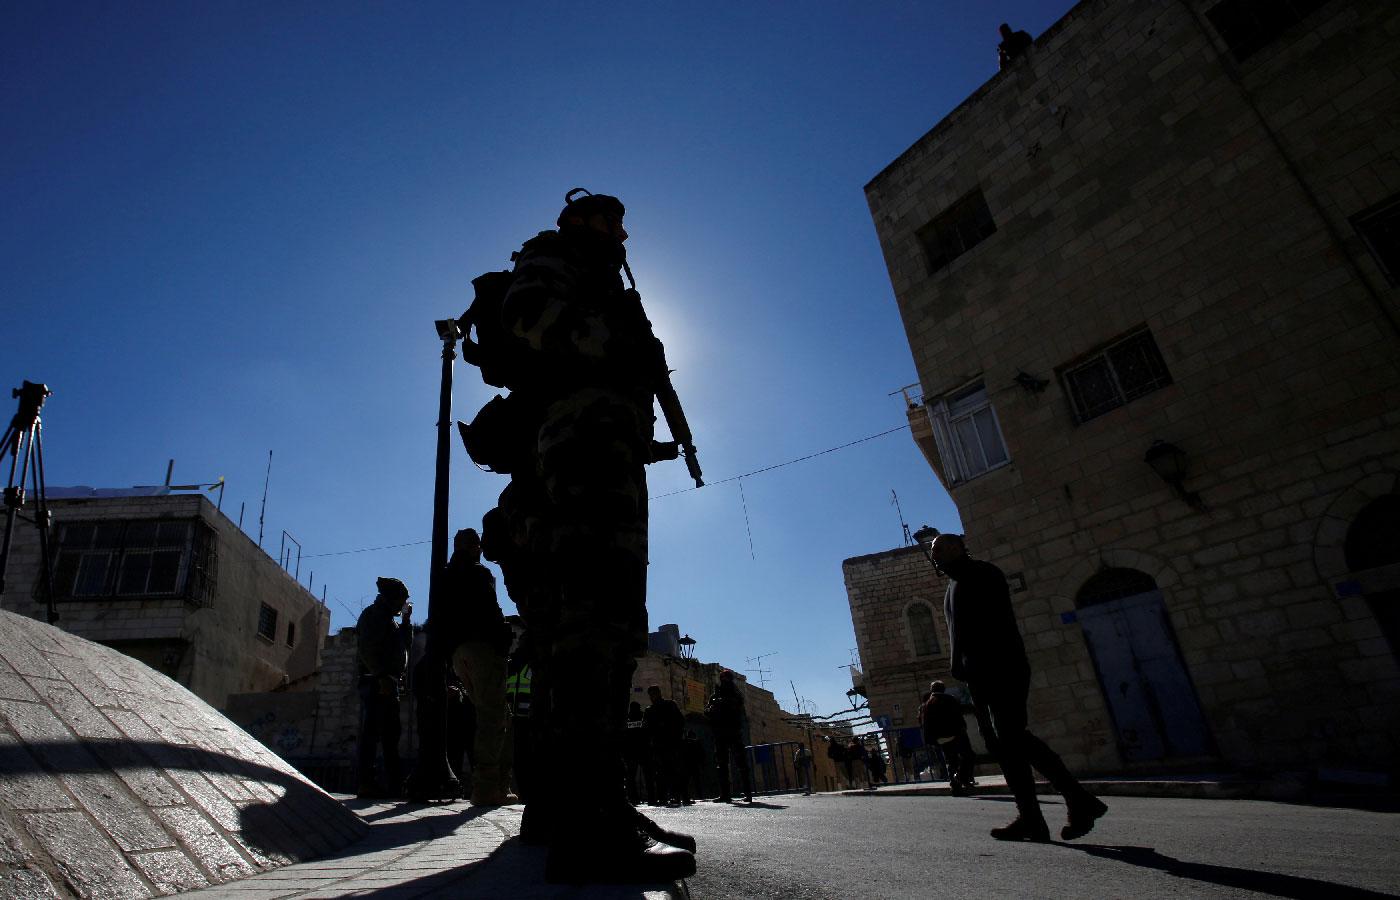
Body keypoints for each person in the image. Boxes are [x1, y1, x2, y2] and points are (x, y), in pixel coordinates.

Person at [499, 190, 694, 881]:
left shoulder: (599, 277)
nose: (623, 233)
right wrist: (618, 347)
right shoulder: (553, 259)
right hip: (582, 448)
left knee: (596, 628)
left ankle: (570, 807)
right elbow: (527, 316)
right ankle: (590, 822)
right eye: (613, 222)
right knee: (596, 626)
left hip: (606, 447)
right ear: (583, 223)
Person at [932, 533, 1107, 842]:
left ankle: (1078, 800)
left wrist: (976, 663)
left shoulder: (983, 573)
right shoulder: (952, 587)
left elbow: (989, 624)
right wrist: (959, 666)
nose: (940, 553)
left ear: (961, 548)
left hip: (1002, 667)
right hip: (979, 676)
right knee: (1006, 745)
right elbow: (958, 633)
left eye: (946, 547)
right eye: (935, 551)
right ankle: (1035, 818)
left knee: (1013, 736)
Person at [434, 527, 513, 806]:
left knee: (490, 713)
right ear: (473, 547)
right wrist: (503, 634)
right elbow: (490, 610)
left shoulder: (444, 575)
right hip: (482, 647)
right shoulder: (479, 573)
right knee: (493, 717)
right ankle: (488, 787)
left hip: (459, 652)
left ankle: (493, 786)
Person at [355, 577, 413, 798]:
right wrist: (381, 677)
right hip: (378, 682)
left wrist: (406, 622)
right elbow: (367, 648)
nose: (402, 604)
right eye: (401, 600)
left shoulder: (391, 621)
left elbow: (404, 646)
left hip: (389, 682)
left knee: (391, 735)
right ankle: (366, 781)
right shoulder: (374, 615)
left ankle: (393, 784)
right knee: (372, 732)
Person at [920, 680, 977, 794]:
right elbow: (958, 716)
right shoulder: (950, 699)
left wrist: (931, 739)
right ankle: (961, 778)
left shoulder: (927, 704)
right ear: (943, 689)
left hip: (941, 738)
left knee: (951, 761)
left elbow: (926, 723)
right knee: (968, 755)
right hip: (955, 734)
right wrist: (963, 729)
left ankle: (955, 786)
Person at [706, 670, 753, 803]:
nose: (723, 680)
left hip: (733, 732)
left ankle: (748, 793)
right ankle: (725, 794)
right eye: (722, 678)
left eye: (726, 678)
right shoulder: (715, 695)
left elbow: (737, 707)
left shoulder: (736, 694)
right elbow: (707, 710)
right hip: (720, 733)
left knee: (741, 763)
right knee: (721, 764)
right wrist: (711, 709)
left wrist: (724, 703)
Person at [645, 685, 686, 805]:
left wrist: (675, 736)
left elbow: (680, 722)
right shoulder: (649, 710)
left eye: (654, 694)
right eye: (651, 694)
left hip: (671, 743)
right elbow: (647, 728)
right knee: (660, 772)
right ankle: (662, 796)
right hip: (658, 745)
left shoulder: (669, 705)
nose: (652, 697)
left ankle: (676, 795)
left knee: (673, 770)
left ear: (659, 693)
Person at [624, 701, 653, 805]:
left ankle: (633, 797)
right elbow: (648, 732)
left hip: (632, 751)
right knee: (647, 774)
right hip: (643, 750)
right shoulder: (643, 717)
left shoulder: (627, 719)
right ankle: (651, 797)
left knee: (631, 776)